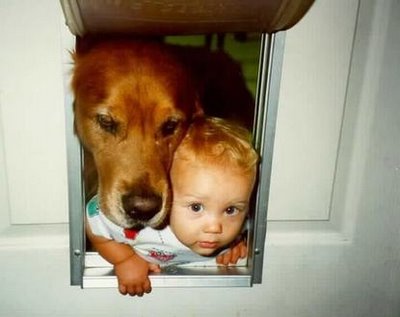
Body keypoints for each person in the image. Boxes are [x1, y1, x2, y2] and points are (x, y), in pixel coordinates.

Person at [86, 116, 259, 296]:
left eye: (230, 210)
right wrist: (125, 259)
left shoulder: (238, 225)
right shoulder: (141, 226)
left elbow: (245, 229)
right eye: (196, 207)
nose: (215, 227)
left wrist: (236, 245)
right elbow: (94, 225)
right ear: (167, 194)